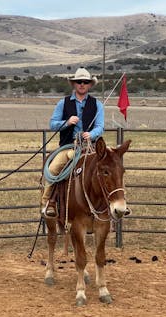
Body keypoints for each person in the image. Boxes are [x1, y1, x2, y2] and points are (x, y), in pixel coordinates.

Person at [41, 67, 105, 217]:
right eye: (79, 82)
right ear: (74, 84)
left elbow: (100, 126)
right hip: (67, 147)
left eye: (85, 82)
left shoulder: (97, 105)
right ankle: (49, 202)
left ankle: (112, 206)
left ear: (90, 85)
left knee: (112, 168)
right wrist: (67, 122)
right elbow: (53, 124)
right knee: (53, 170)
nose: (82, 84)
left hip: (91, 147)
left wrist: (92, 134)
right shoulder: (62, 104)